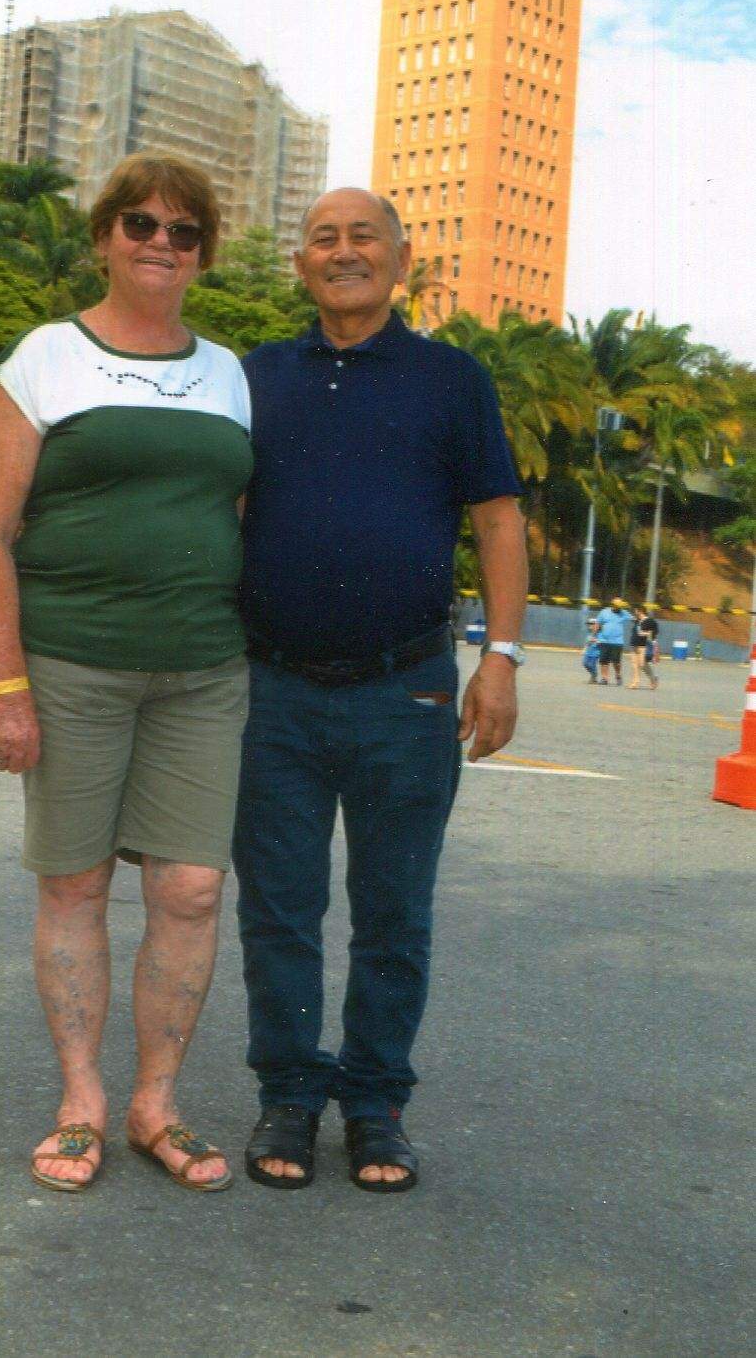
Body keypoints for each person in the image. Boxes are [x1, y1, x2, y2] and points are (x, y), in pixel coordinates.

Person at [0, 154, 253, 1196]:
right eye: (139, 223)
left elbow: (243, 517)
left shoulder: (229, 372)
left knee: (192, 886)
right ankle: (82, 1098)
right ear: (103, 238)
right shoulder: (44, 357)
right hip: (72, 663)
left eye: (183, 229)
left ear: (203, 252)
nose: (160, 242)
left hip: (204, 671)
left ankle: (154, 1104)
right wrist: (5, 686)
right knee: (76, 882)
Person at [233, 187, 527, 1193]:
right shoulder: (257, 376)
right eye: (323, 238)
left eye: (364, 237)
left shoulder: (453, 380)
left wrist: (503, 656)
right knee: (278, 907)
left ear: (401, 261)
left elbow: (497, 521)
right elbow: (218, 509)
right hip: (269, 687)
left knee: (394, 912)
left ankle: (374, 1103)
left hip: (407, 690)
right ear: (301, 264)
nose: (343, 251)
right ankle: (287, 1091)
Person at [594, 598, 631, 688]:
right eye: (617, 607)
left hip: (617, 642)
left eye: (620, 607)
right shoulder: (604, 612)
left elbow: (633, 618)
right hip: (604, 640)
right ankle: (604, 678)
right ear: (613, 605)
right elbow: (598, 623)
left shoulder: (623, 613)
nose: (619, 608)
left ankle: (618, 675)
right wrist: (594, 635)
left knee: (616, 662)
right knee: (603, 661)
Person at [629, 604, 660, 690]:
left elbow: (654, 632)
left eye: (636, 611)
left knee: (642, 664)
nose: (635, 613)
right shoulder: (637, 620)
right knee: (634, 664)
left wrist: (646, 634)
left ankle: (653, 679)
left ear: (640, 611)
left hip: (644, 645)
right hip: (634, 644)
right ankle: (635, 682)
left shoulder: (650, 621)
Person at [582, 617, 601, 684]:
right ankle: (593, 674)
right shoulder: (589, 633)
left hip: (595, 653)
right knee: (585, 663)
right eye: (589, 624)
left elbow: (602, 642)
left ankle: (594, 676)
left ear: (595, 625)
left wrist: (596, 640)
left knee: (592, 665)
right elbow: (587, 643)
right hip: (588, 652)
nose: (589, 625)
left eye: (591, 624)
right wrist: (584, 649)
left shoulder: (600, 634)